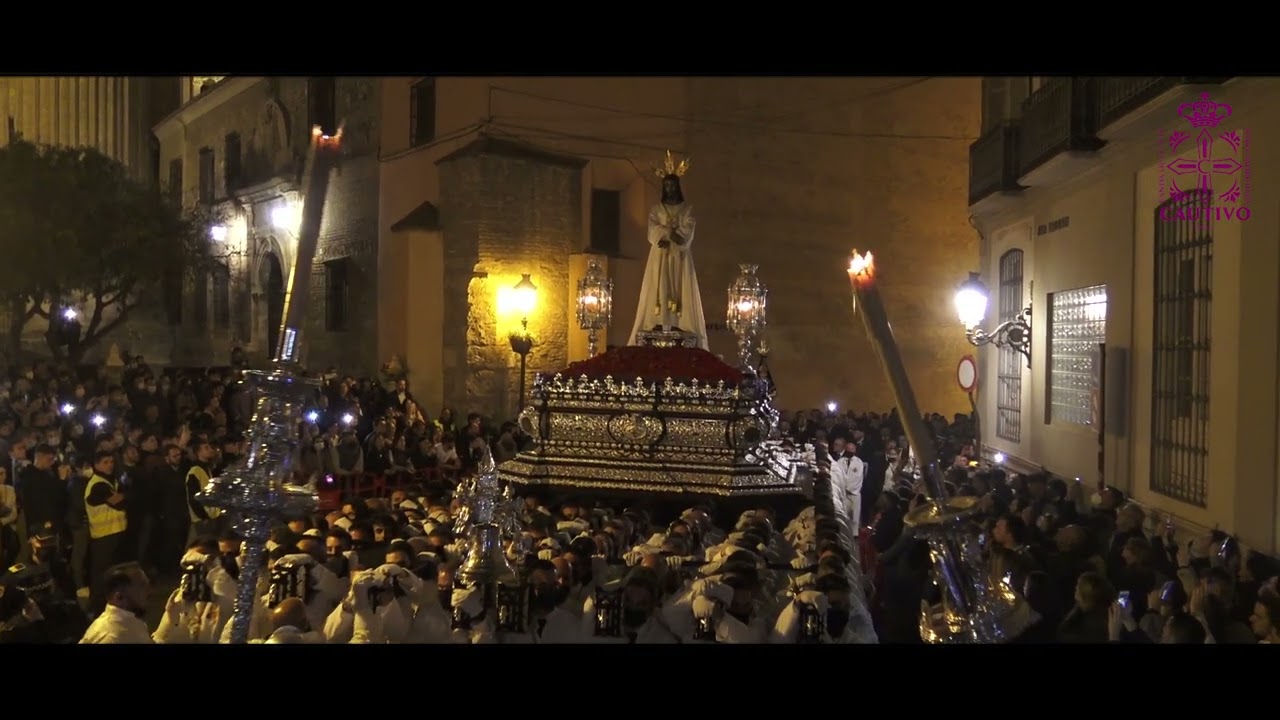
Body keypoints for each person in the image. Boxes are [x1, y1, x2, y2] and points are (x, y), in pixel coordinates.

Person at [627, 151, 709, 349]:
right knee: (659, 284)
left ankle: (680, 323)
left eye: (673, 185)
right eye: (667, 185)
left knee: (681, 285)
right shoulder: (657, 209)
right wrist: (664, 235)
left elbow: (688, 227)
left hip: (680, 255)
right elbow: (652, 228)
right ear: (664, 187)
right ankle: (661, 322)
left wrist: (673, 236)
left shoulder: (686, 208)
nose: (670, 188)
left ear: (677, 187)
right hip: (661, 254)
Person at [84, 450, 128, 614]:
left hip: (113, 533)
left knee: (110, 573)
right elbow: (119, 503)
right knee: (101, 574)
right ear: (96, 465)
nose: (110, 465)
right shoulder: (98, 485)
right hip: (103, 536)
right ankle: (96, 608)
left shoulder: (108, 481)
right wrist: (125, 495)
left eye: (111, 462)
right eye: (105, 462)